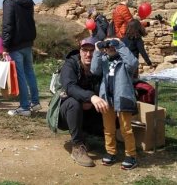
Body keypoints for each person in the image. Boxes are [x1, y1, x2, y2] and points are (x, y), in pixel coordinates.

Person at [58, 36, 107, 167]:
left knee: (109, 102)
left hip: (89, 110)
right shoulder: (70, 64)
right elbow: (69, 87)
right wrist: (90, 97)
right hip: (66, 112)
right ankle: (77, 146)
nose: (88, 54)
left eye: (92, 51)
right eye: (85, 50)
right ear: (80, 51)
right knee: (74, 103)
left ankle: (90, 135)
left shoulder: (101, 66)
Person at [91, 38, 139, 170]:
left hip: (122, 96)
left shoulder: (124, 61)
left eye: (113, 45)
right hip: (107, 98)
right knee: (108, 128)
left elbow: (133, 63)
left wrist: (120, 45)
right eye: (107, 45)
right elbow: (95, 70)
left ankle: (131, 155)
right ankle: (111, 152)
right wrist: (97, 52)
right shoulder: (104, 59)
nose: (110, 47)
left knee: (126, 129)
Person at [2, 0, 41, 116]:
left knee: (21, 76)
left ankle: (24, 107)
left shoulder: (9, 2)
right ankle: (35, 102)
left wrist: (5, 46)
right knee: (29, 72)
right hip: (28, 42)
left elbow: (7, 25)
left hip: (16, 44)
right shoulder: (28, 1)